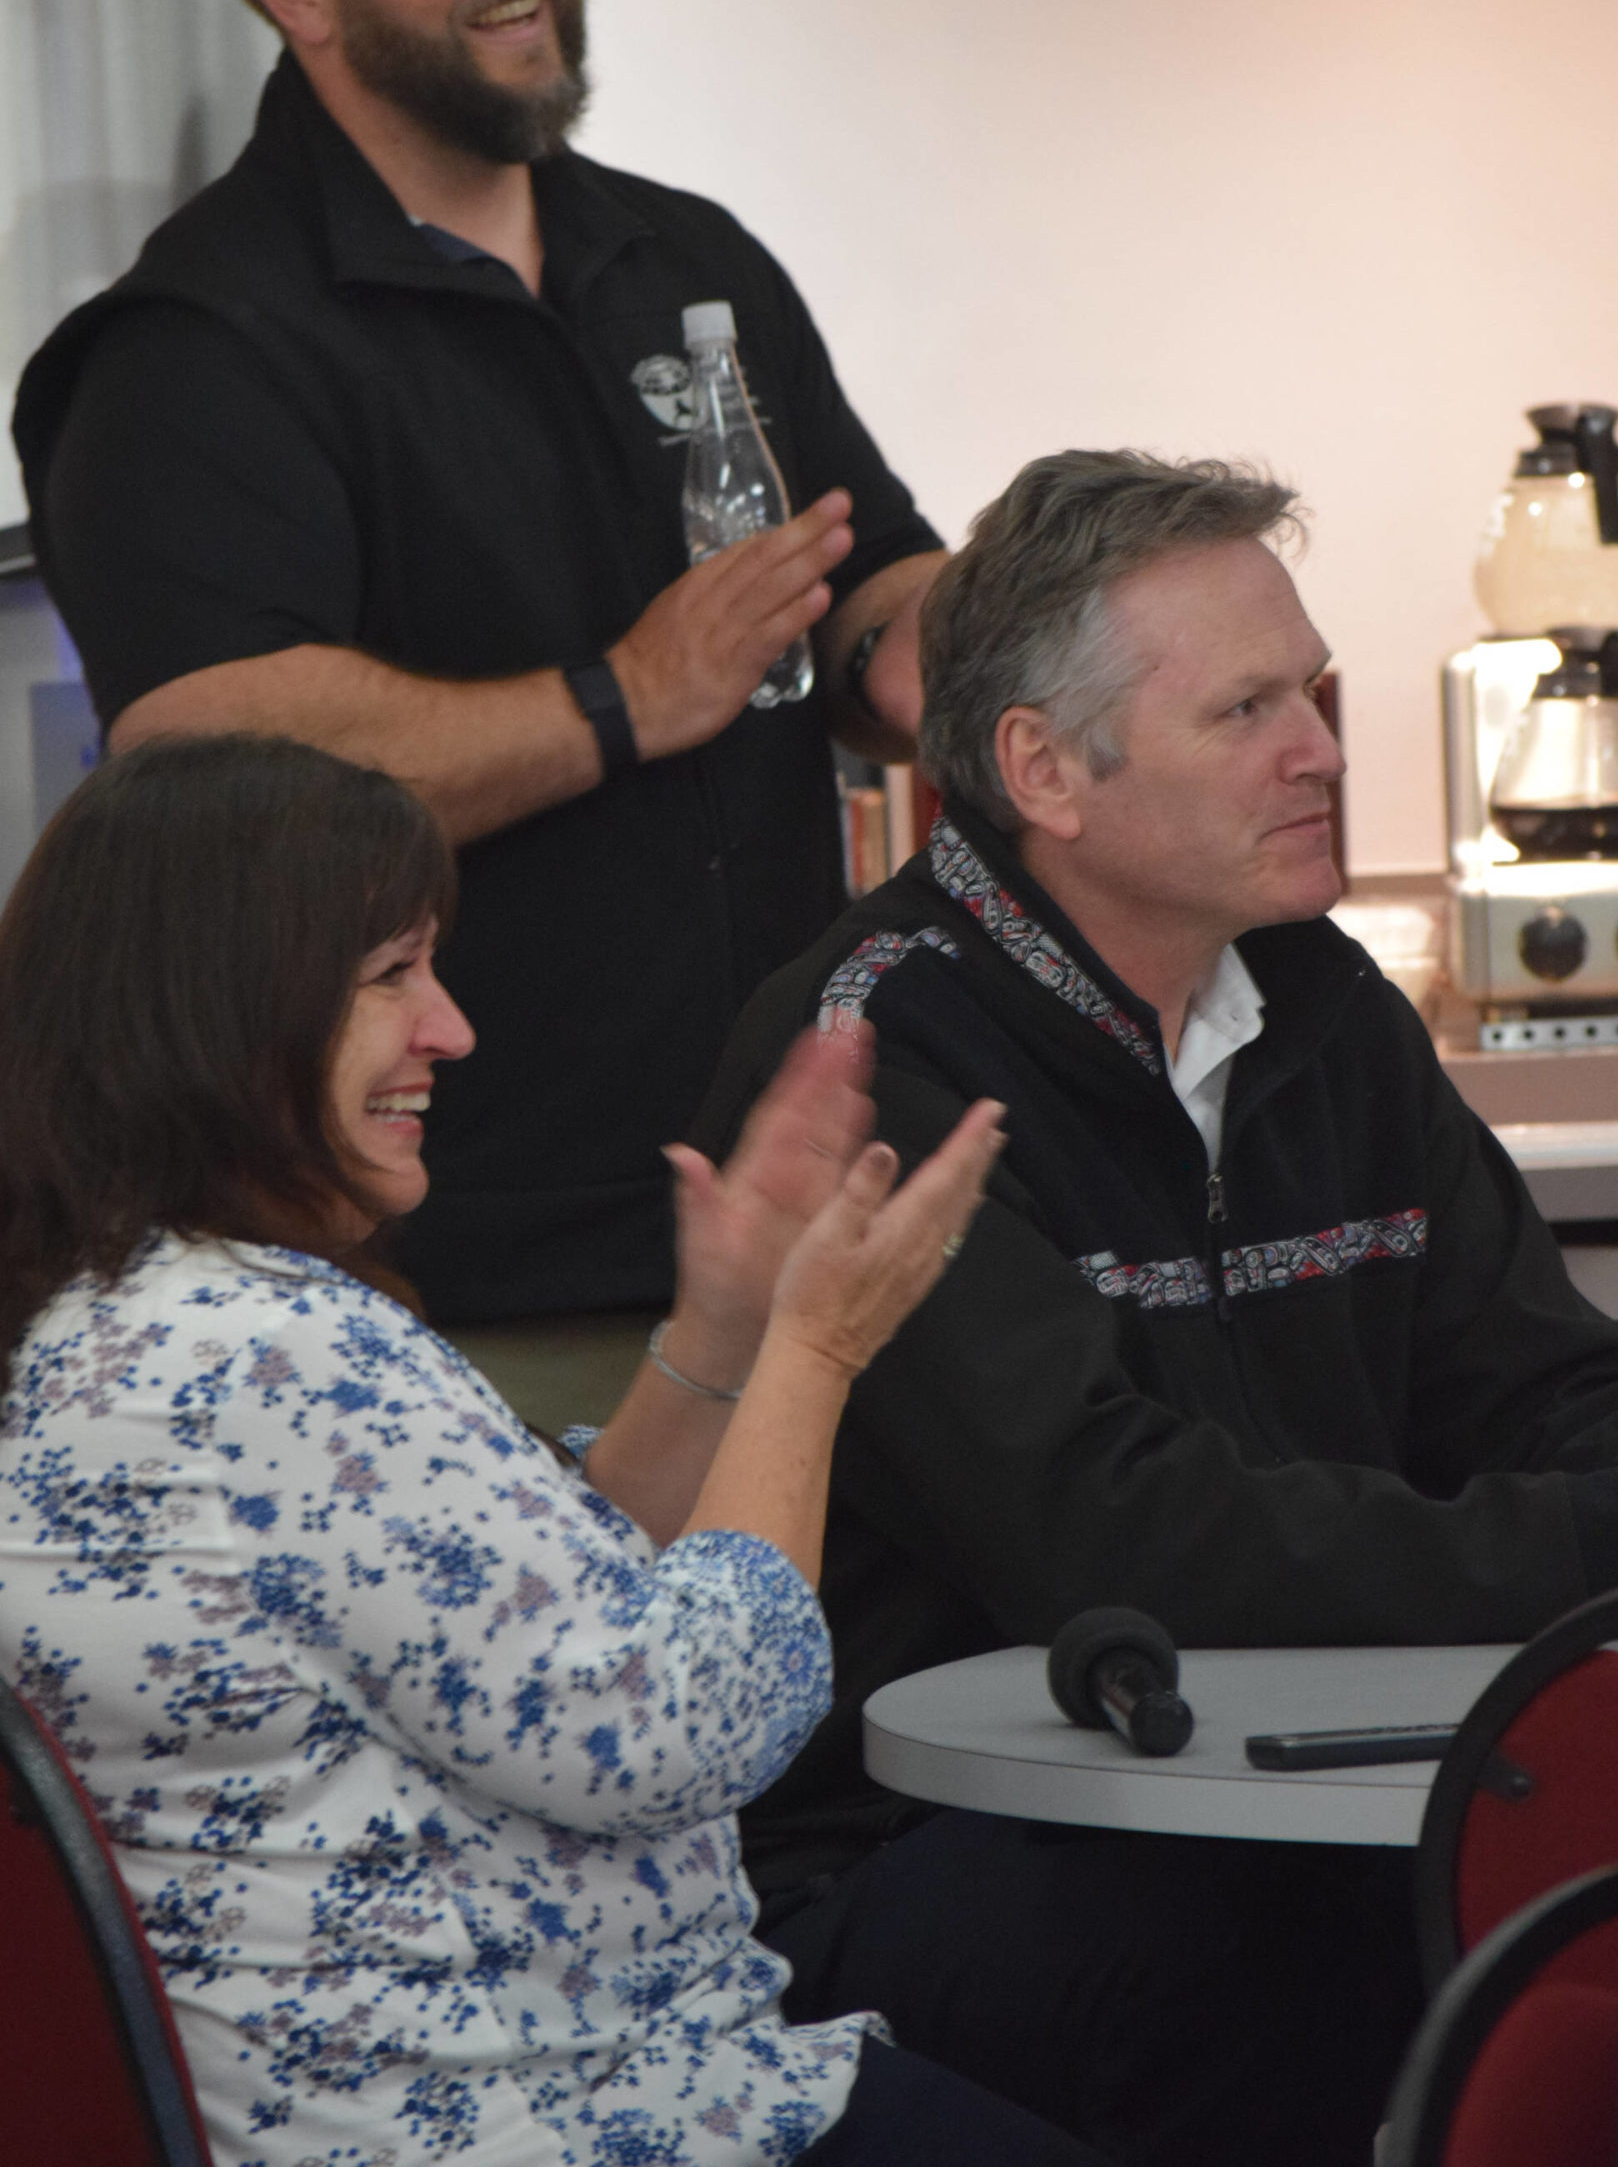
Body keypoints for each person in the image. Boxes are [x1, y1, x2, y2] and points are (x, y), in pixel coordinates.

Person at [693, 447, 1618, 2166]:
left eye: (1310, 693)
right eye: (1246, 711)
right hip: (918, 1850)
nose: (1321, 747)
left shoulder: (1330, 1008)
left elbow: (1538, 1386)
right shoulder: (878, 1055)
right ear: (1044, 771)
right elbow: (1110, 1539)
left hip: (1299, 1798)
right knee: (1341, 1980)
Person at [10, 0, 945, 1415]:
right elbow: (219, 765)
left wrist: (1016, 635)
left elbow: (871, 604)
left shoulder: (686, 259)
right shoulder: (192, 351)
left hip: (802, 1227)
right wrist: (625, 699)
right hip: (467, 1300)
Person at [0, 733, 1113, 2167]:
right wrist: (817, 1348)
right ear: (219, 1014)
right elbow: (688, 1727)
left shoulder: (111, 1323)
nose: (451, 1030)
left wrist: (719, 1333)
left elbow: (530, 1625)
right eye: (390, 976)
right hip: (577, 2119)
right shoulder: (272, 1356)